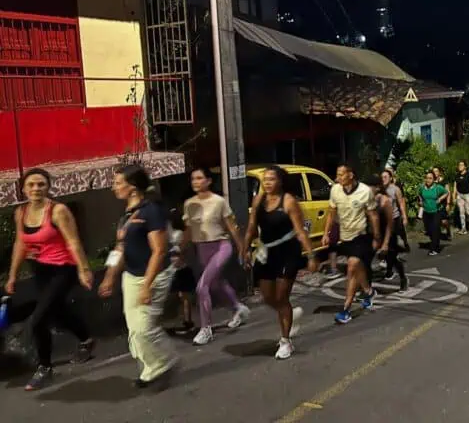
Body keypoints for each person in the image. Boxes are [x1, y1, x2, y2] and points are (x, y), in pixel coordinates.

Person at [4, 168, 94, 391]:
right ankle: (86, 339)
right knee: (57, 311)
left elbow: (73, 241)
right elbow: (20, 244)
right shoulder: (20, 212)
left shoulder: (57, 211)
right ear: (23, 189)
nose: (36, 188)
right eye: (31, 185)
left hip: (63, 269)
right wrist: (13, 275)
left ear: (48, 187)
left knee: (39, 318)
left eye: (41, 184)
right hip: (40, 269)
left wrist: (84, 269)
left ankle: (44, 368)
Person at [99, 165, 178, 390]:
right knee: (134, 330)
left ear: (132, 187)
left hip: (154, 275)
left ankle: (165, 360)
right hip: (131, 275)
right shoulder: (126, 214)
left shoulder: (151, 211)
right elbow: (120, 248)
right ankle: (151, 369)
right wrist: (109, 276)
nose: (113, 187)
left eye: (118, 183)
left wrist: (147, 286)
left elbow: (159, 251)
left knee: (144, 328)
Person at [243, 166, 318, 359]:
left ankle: (286, 341)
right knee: (268, 296)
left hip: (288, 252)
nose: (267, 183)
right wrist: (244, 249)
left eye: (271, 179)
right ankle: (290, 313)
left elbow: (300, 231)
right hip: (266, 252)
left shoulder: (289, 201)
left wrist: (311, 256)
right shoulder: (259, 200)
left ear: (280, 181)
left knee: (282, 296)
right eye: (265, 179)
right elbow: (252, 227)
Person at [181, 168, 249, 346]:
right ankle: (238, 308)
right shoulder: (189, 204)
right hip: (201, 248)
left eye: (199, 178)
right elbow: (188, 230)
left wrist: (242, 248)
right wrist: (180, 250)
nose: (195, 182)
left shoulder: (219, 201)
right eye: (193, 179)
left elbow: (232, 227)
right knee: (216, 283)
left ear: (208, 181)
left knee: (202, 286)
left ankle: (206, 329)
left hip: (221, 246)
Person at [323, 165, 380, 325]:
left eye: (341, 174)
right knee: (357, 269)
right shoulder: (335, 190)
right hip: (345, 237)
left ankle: (346, 309)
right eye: (337, 174)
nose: (338, 178)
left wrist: (377, 237)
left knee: (352, 266)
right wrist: (326, 233)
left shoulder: (364, 191)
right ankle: (368, 291)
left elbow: (373, 215)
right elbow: (331, 213)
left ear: (351, 175)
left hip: (361, 236)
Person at [368, 174, 406, 290]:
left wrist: (385, 243)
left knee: (391, 259)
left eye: (370, 186)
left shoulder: (385, 201)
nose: (367, 189)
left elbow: (390, 224)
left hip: (388, 234)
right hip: (374, 234)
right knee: (366, 259)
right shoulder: (368, 199)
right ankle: (367, 288)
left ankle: (403, 278)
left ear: (377, 187)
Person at [418, 171, 449, 255]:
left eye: (430, 178)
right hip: (426, 212)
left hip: (436, 211)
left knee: (435, 229)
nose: (428, 180)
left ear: (434, 180)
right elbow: (419, 194)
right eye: (427, 178)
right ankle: (435, 242)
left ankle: (435, 249)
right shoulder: (422, 187)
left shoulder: (438, 187)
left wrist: (440, 199)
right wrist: (421, 201)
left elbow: (446, 192)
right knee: (429, 230)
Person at [382, 169, 410, 253]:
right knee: (387, 237)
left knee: (397, 234)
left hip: (395, 217)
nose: (383, 179)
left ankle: (403, 243)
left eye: (385, 177)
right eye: (382, 177)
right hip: (384, 218)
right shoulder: (380, 189)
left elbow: (401, 203)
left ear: (391, 178)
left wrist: (404, 217)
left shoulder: (395, 189)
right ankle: (388, 254)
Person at [453, 160, 469, 234]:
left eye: (461, 165)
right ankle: (463, 229)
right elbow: (455, 187)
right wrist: (454, 197)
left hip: (468, 195)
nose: (460, 166)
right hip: (460, 195)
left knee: (468, 212)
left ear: (465, 166)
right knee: (461, 212)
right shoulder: (457, 175)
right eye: (459, 165)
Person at [432, 167, 452, 240]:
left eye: (436, 171)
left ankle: (448, 230)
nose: (435, 173)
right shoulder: (431, 181)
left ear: (439, 172)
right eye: (433, 171)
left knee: (444, 221)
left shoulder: (444, 181)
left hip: (443, 203)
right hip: (434, 204)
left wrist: (448, 204)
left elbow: (448, 192)